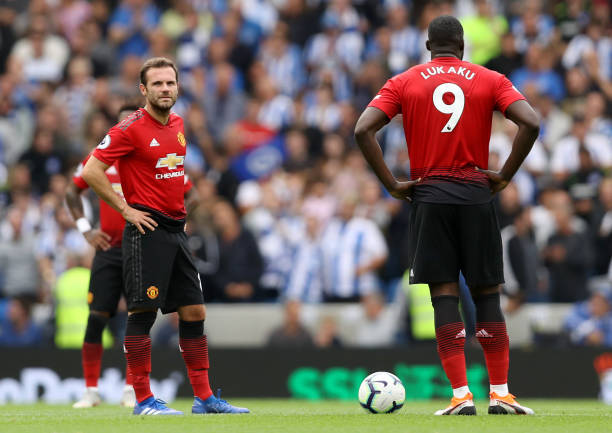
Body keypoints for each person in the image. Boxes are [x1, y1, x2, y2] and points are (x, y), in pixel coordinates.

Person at [354, 16, 539, 416]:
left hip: (430, 196)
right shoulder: (490, 79)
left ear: (428, 46)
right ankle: (501, 394)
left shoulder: (403, 82)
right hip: (476, 194)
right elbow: (531, 122)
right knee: (487, 295)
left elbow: (362, 129)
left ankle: (460, 396)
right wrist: (505, 175)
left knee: (444, 296)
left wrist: (392, 184)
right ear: (462, 45)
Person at [82, 57, 248, 415]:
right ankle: (142, 400)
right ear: (143, 89)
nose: (165, 89)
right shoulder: (129, 128)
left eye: (170, 83)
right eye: (157, 84)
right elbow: (92, 170)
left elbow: (170, 177)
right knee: (142, 313)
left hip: (176, 232)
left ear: (178, 87)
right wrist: (126, 210)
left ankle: (204, 398)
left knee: (194, 310)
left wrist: (180, 212)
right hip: (146, 231)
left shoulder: (178, 124)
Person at [66, 103, 196, 408]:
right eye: (123, 124)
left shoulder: (155, 159)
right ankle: (90, 390)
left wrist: (180, 220)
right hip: (109, 249)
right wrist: (86, 229)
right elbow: (72, 191)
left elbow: (191, 192)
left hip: (143, 245)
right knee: (97, 317)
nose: (130, 128)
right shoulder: (100, 161)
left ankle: (131, 389)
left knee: (138, 316)